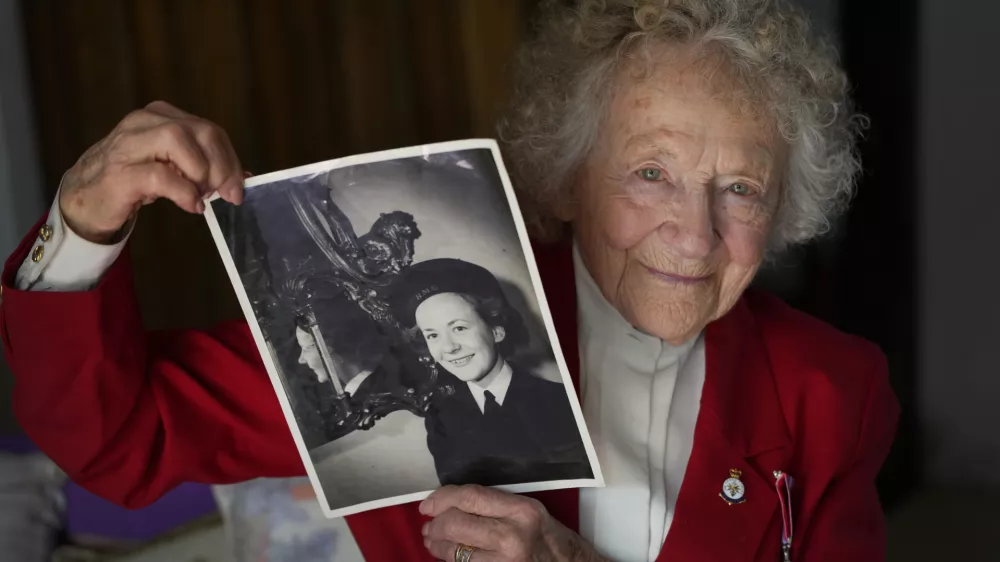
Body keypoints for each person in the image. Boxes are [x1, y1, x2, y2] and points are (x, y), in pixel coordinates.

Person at [0, 1, 900, 561]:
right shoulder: (430, 332)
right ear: (568, 178)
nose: (695, 234)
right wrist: (82, 221)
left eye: (741, 189)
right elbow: (117, 440)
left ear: (783, 212)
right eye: (650, 174)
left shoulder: (832, 391)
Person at [387, 258, 593, 486]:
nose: (449, 347)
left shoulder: (562, 401)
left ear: (496, 331)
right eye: (433, 335)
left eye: (459, 328)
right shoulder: (440, 418)